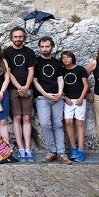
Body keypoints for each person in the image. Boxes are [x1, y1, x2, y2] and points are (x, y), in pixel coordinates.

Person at [33, 36, 71, 164]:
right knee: (44, 123)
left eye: (47, 46)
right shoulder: (36, 62)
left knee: (58, 124)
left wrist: (60, 93)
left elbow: (60, 78)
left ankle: (61, 153)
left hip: (57, 97)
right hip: (42, 97)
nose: (44, 49)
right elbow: (35, 81)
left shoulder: (57, 63)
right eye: (42, 47)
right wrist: (45, 94)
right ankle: (51, 151)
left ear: (52, 47)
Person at [3, 26, 37, 162]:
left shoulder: (29, 52)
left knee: (27, 118)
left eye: (20, 37)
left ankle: (28, 148)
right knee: (16, 118)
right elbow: (8, 72)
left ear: (24, 38)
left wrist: (26, 86)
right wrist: (18, 87)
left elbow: (31, 71)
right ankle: (21, 148)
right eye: (16, 37)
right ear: (12, 38)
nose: (18, 39)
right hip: (13, 89)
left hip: (27, 87)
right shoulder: (6, 53)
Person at [61, 51, 89, 162]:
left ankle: (81, 149)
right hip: (68, 100)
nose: (66, 60)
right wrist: (65, 96)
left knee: (80, 123)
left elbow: (86, 85)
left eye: (68, 57)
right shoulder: (62, 71)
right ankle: (73, 147)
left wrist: (82, 98)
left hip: (80, 99)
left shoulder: (80, 69)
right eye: (63, 58)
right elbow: (60, 85)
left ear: (73, 58)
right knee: (68, 121)